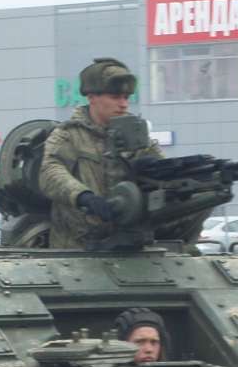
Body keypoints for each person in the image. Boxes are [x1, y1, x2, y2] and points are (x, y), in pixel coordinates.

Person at [41, 58, 161, 249]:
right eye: (115, 97)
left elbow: (163, 172)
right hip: (76, 249)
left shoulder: (136, 135)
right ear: (92, 97)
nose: (123, 104)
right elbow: (50, 172)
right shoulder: (69, 134)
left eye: (126, 97)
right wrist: (83, 196)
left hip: (128, 245)